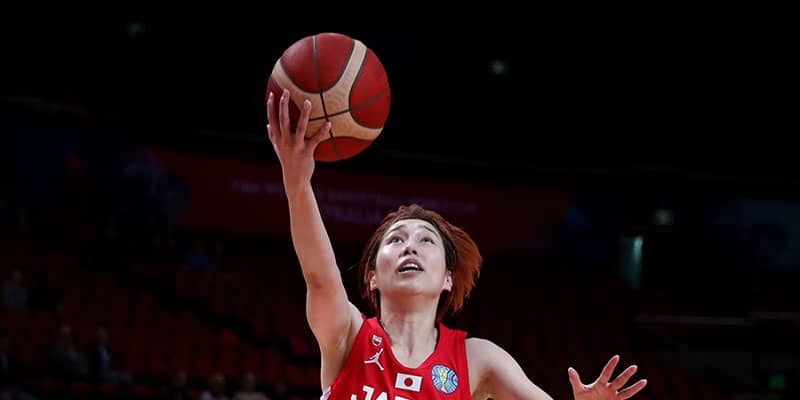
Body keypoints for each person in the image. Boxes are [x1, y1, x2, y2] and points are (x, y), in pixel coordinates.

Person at [266, 88, 648, 400]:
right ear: (372, 277)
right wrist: (297, 183)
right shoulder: (348, 336)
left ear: (447, 278)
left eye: (425, 240)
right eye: (395, 240)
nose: (410, 247)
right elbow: (321, 279)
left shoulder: (477, 359)